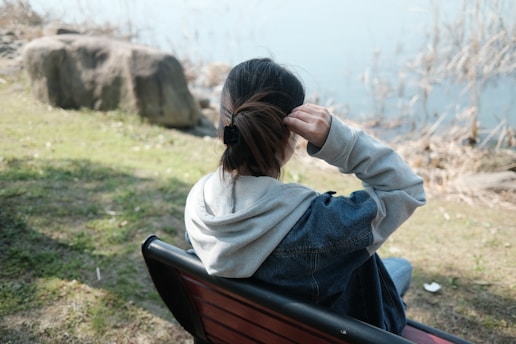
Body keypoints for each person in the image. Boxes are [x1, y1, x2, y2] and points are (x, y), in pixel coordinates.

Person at [184, 58, 426, 335]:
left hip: (246, 332)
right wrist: (338, 139)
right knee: (401, 268)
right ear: (292, 135)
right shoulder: (322, 225)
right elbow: (405, 189)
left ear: (223, 126)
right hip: (348, 333)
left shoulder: (198, 204)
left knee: (397, 268)